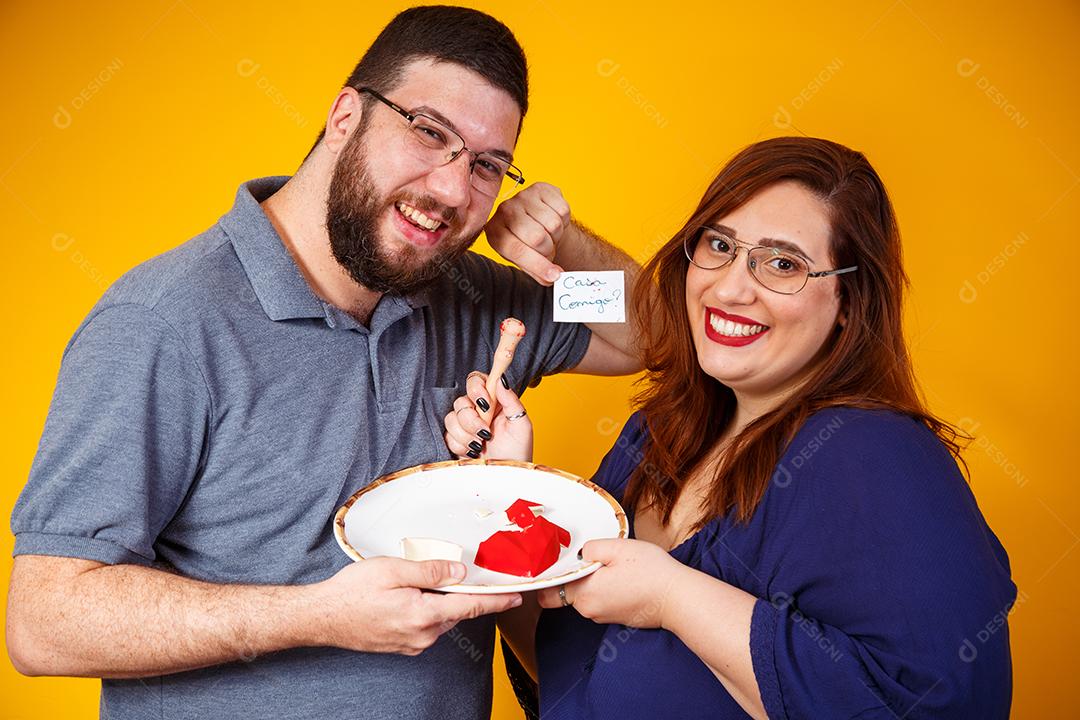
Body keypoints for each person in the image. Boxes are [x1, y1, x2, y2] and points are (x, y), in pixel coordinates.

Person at [6, 7, 645, 719]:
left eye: (488, 165)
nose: (454, 190)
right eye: (431, 132)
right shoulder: (164, 321)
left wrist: (568, 248)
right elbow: (44, 620)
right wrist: (314, 615)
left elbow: (653, 338)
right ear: (346, 115)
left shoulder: (464, 289)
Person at [446, 137, 1016, 719]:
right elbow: (572, 678)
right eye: (720, 245)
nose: (729, 288)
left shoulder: (878, 457)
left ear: (850, 299)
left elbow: (946, 702)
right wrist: (509, 487)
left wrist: (672, 597)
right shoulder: (656, 434)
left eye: (783, 264)